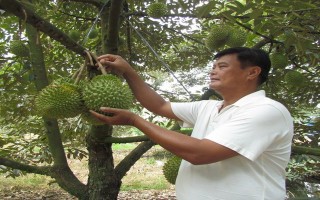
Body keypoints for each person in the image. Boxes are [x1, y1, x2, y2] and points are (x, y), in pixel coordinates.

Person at [90, 47, 294, 200]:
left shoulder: (266, 111)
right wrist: (127, 71)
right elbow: (160, 106)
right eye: (213, 67)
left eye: (222, 67)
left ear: (252, 73)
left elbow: (201, 153)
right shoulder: (208, 107)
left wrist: (134, 120)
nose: (213, 71)